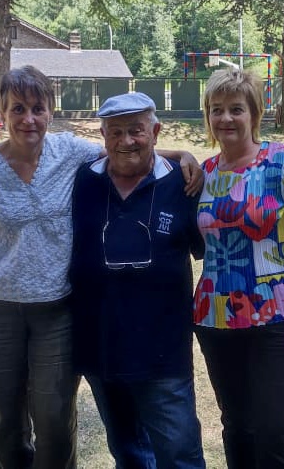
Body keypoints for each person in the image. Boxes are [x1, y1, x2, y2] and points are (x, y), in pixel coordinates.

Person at [0, 66, 202, 469]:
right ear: (1, 112)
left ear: (50, 112)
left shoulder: (69, 153)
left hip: (56, 309)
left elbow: (125, 146)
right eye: (18, 108)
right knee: (6, 423)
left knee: (54, 421)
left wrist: (181, 155)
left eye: (37, 108)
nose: (28, 119)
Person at [69, 92, 206, 469]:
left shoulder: (183, 183)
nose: (126, 140)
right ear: (103, 135)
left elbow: (210, 248)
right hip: (101, 348)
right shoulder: (84, 180)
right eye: (115, 132)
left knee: (180, 457)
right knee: (128, 454)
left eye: (136, 130)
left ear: (156, 132)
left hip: (163, 352)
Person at [194, 69, 284, 468]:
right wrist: (180, 155)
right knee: (237, 427)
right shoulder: (204, 173)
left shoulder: (282, 161)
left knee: (274, 430)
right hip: (216, 318)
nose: (226, 118)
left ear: (253, 114)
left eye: (236, 109)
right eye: (217, 110)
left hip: (277, 318)